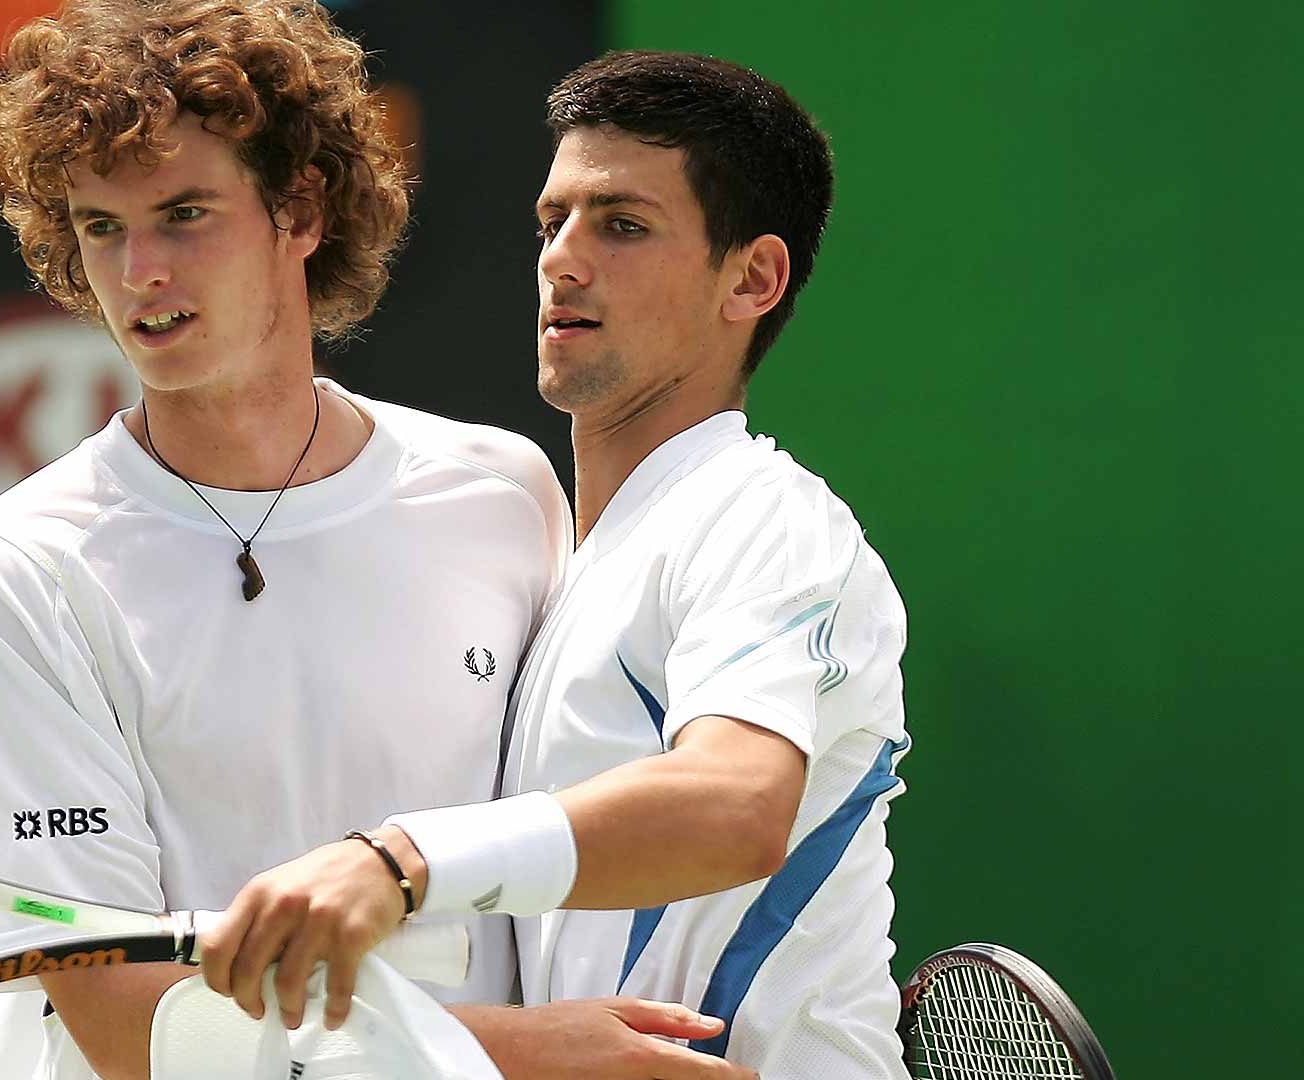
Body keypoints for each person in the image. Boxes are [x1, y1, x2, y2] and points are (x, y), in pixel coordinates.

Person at [0, 7, 750, 1079]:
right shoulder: (4, 578)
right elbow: (125, 1024)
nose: (139, 273)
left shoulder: (503, 493)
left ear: (300, 210)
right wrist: (533, 1054)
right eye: (102, 227)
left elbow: (552, 879)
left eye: (184, 213)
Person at [204, 50, 913, 1080]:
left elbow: (738, 802)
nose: (562, 261)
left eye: (621, 225)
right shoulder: (582, 563)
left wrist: (397, 863)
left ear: (752, 279)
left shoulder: (766, 519)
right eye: (553, 223)